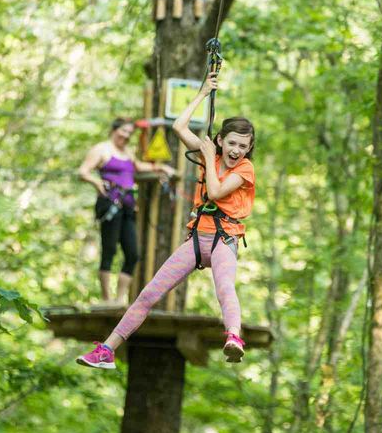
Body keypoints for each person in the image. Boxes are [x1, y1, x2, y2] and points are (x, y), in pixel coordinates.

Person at [77, 73, 256, 368]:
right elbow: (178, 126)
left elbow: (214, 191)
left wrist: (210, 155)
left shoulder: (245, 169)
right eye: (232, 143)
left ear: (249, 149)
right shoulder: (210, 152)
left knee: (225, 288)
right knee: (149, 293)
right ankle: (107, 349)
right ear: (222, 140)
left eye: (243, 147)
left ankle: (234, 338)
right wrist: (201, 94)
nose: (237, 151)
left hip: (225, 239)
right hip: (198, 239)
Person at [79, 118, 176, 305]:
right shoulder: (102, 149)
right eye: (123, 131)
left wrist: (160, 167)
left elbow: (139, 167)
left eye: (129, 133)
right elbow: (83, 172)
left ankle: (120, 299)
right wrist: (96, 182)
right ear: (114, 130)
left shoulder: (127, 152)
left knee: (132, 254)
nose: (125, 135)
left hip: (128, 207)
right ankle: (107, 300)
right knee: (109, 250)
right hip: (110, 205)